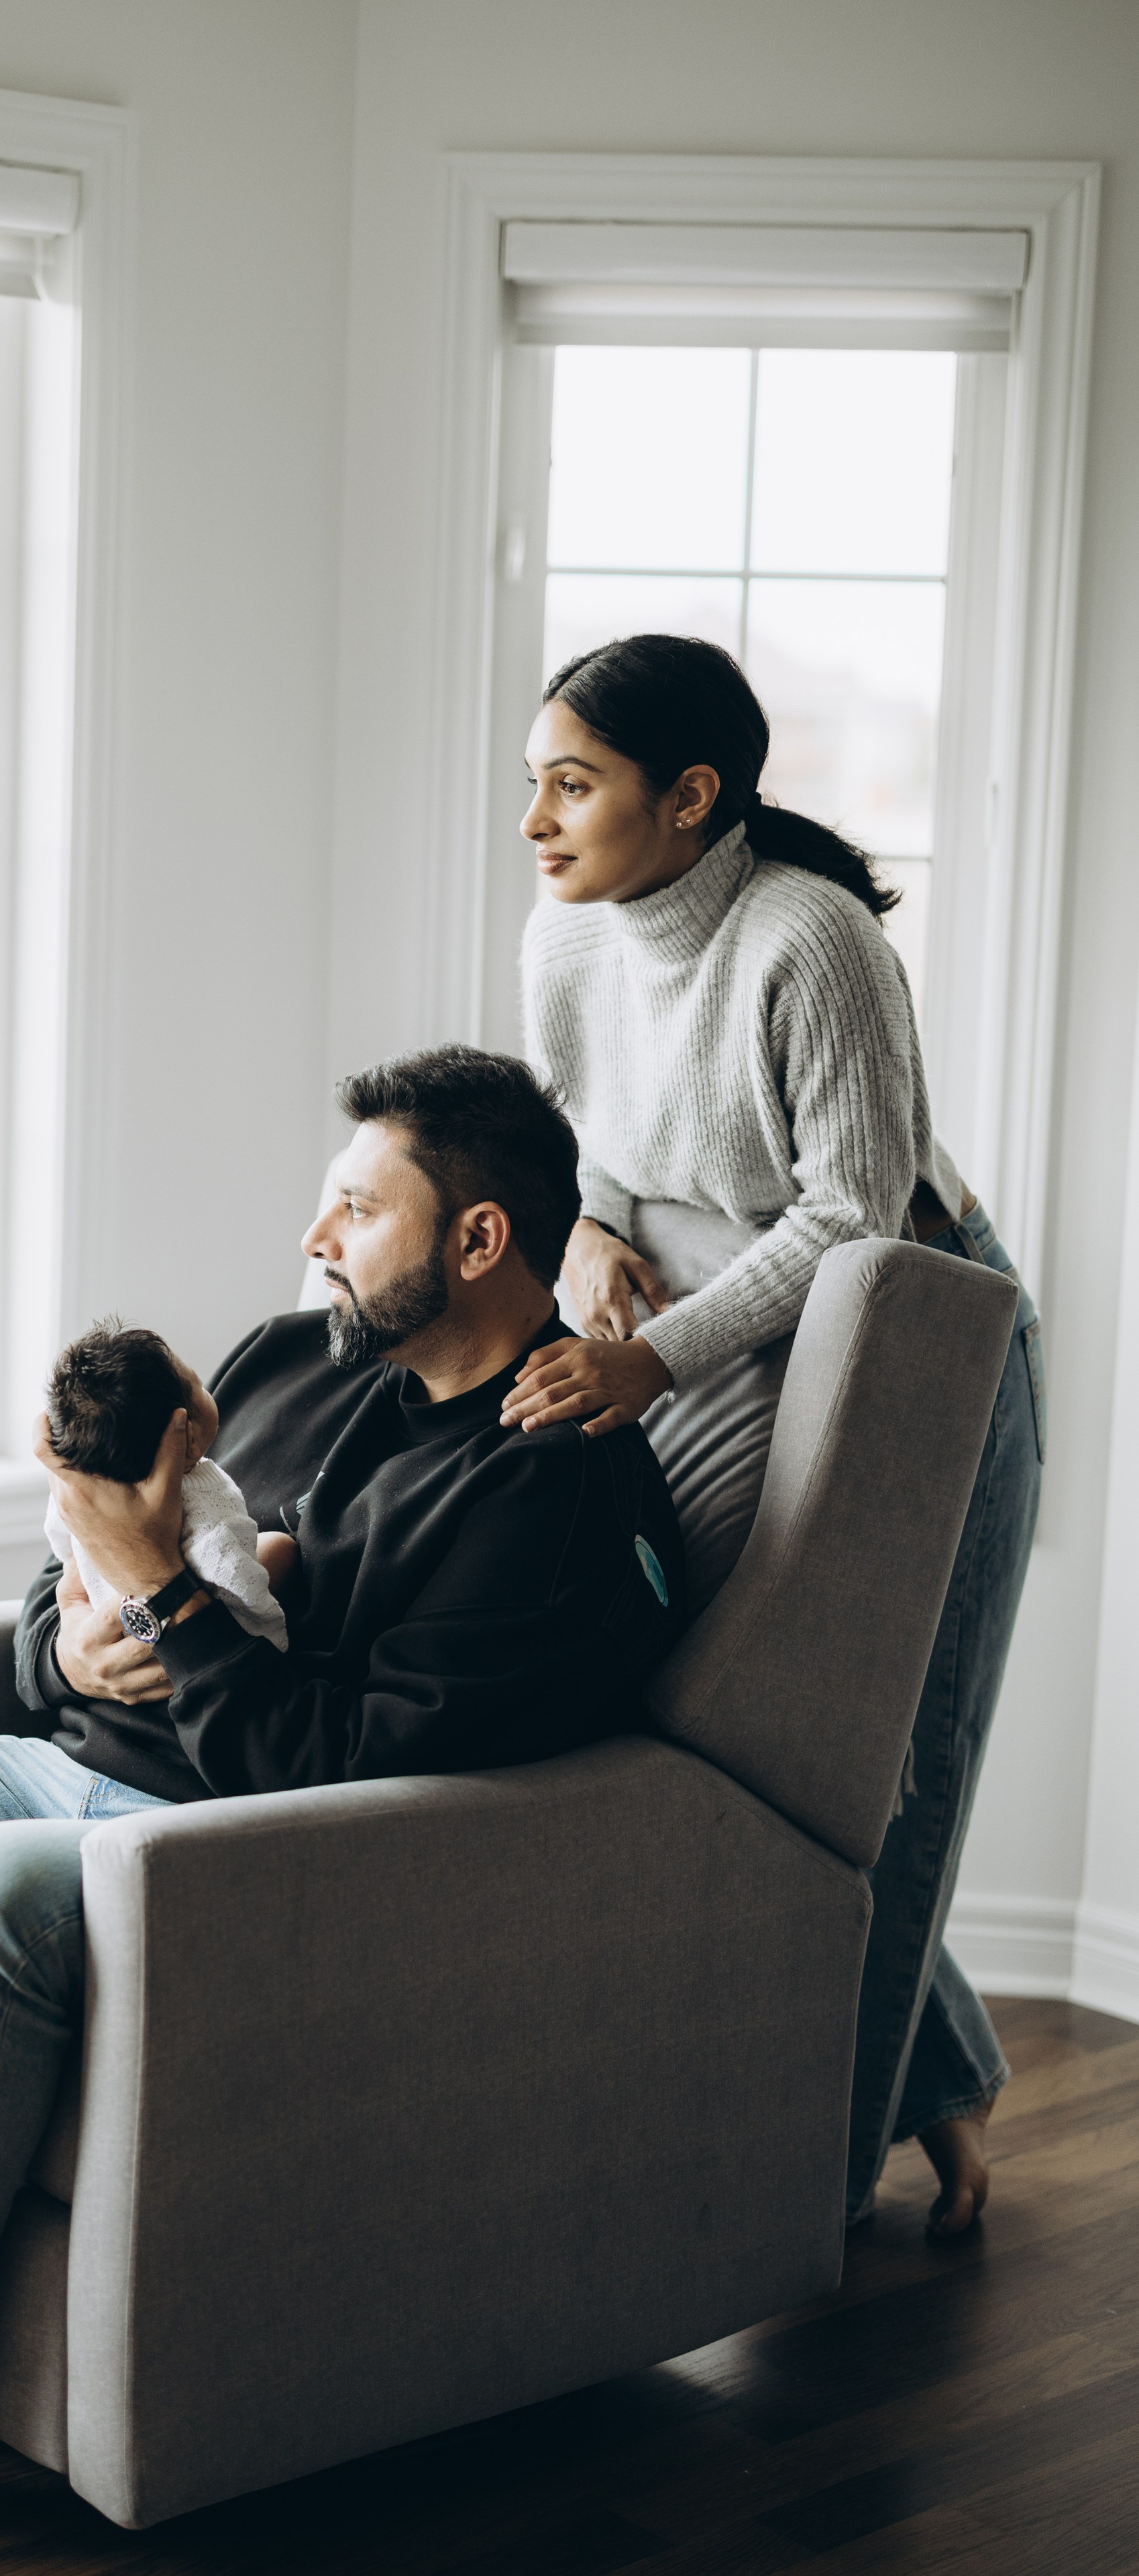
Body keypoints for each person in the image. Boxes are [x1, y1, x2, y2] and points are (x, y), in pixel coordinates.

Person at [0, 1041, 684, 2567]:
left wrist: (165, 1594)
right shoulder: (300, 1362)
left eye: (355, 1209)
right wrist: (68, 1629)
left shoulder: (551, 1494)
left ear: (478, 1240)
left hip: (218, 1853)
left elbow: (340, 1769)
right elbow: (80, 1544)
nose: (313, 1240)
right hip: (69, 1761)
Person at [507, 633, 1044, 2241]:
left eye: (571, 784)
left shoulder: (806, 942)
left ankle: (810, 2190)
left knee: (897, 1754)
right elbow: (579, 1147)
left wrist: (650, 1352)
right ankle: (933, 2074)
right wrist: (587, 1232)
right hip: (707, 1338)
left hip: (914, 1349)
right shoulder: (566, 930)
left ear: (690, 797)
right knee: (716, 1725)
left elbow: (855, 1219)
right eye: (529, 779)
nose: (534, 819)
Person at [42, 1320, 293, 1650]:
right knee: (279, 1547)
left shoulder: (86, 1493)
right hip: (191, 1653)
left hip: (112, 1627)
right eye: (200, 1385)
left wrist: (80, 1574)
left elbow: (60, 1540)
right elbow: (232, 1578)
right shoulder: (208, 1507)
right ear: (186, 1439)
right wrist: (271, 1636)